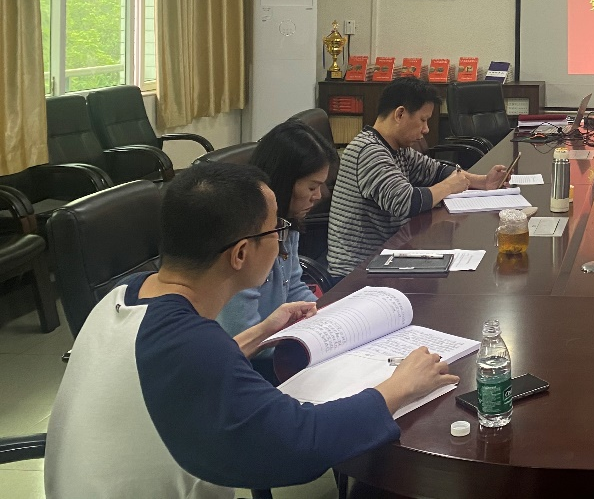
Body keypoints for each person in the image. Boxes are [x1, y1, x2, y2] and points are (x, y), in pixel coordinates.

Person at [45, 162, 459, 499]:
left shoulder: (126, 295)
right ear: (241, 253)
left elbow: (180, 371)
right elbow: (299, 442)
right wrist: (399, 387)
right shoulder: (189, 348)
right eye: (276, 230)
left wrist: (262, 331)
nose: (282, 241)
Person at [327, 77, 509, 277]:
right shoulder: (369, 151)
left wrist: (483, 182)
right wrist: (449, 186)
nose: (426, 129)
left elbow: (436, 171)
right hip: (356, 272)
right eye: (423, 120)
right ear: (400, 114)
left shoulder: (396, 148)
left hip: (388, 255)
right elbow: (406, 202)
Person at [218, 119, 336, 378]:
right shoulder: (246, 238)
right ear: (285, 182)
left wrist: (327, 319)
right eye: (312, 187)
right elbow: (241, 335)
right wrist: (304, 345)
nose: (319, 196)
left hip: (278, 344)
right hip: (252, 364)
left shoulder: (287, 222)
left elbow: (293, 286)